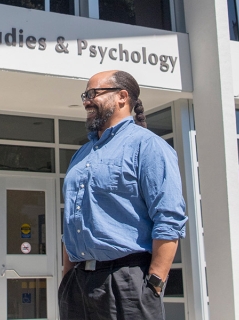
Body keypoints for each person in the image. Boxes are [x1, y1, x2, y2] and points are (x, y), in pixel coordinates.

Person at [59, 70, 187, 320]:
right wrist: (67, 278)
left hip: (127, 284)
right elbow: (71, 220)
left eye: (93, 93)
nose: (86, 100)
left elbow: (169, 219)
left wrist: (153, 285)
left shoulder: (148, 146)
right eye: (85, 94)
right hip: (77, 284)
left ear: (122, 96)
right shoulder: (81, 154)